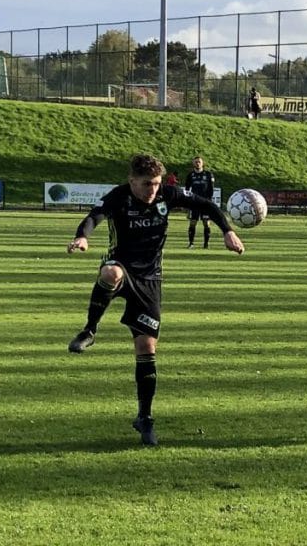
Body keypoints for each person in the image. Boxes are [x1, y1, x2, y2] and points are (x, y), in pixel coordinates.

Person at [66, 153, 245, 445]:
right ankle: (89, 330)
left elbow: (206, 205)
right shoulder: (119, 197)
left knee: (146, 347)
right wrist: (82, 237)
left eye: (157, 183)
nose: (153, 189)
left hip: (150, 279)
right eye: (147, 184)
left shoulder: (167, 194)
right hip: (122, 264)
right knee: (110, 273)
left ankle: (145, 418)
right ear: (132, 181)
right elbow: (93, 217)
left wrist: (228, 231)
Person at [184, 157, 216, 249]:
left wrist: (209, 201)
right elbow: (187, 189)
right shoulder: (190, 175)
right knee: (192, 222)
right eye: (196, 162)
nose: (197, 163)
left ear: (202, 163)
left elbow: (211, 189)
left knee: (206, 223)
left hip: (205, 202)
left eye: (199, 162)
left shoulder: (208, 174)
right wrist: (187, 202)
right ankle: (191, 243)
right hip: (194, 202)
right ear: (193, 163)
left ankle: (206, 244)